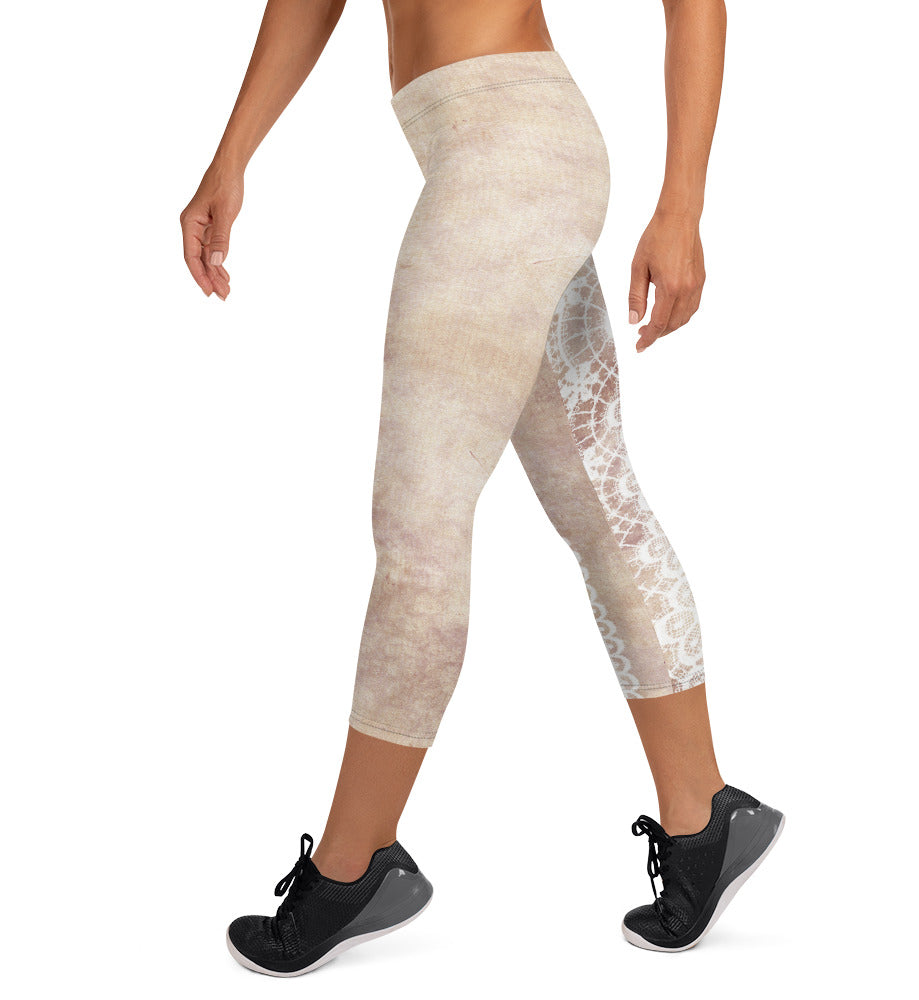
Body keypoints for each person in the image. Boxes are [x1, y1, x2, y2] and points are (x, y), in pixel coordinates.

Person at [180, 0, 783, 977]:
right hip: (492, 155)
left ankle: (353, 866)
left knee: (417, 530)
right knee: (598, 501)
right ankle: (705, 815)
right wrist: (231, 155)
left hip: (512, 159)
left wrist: (682, 206)